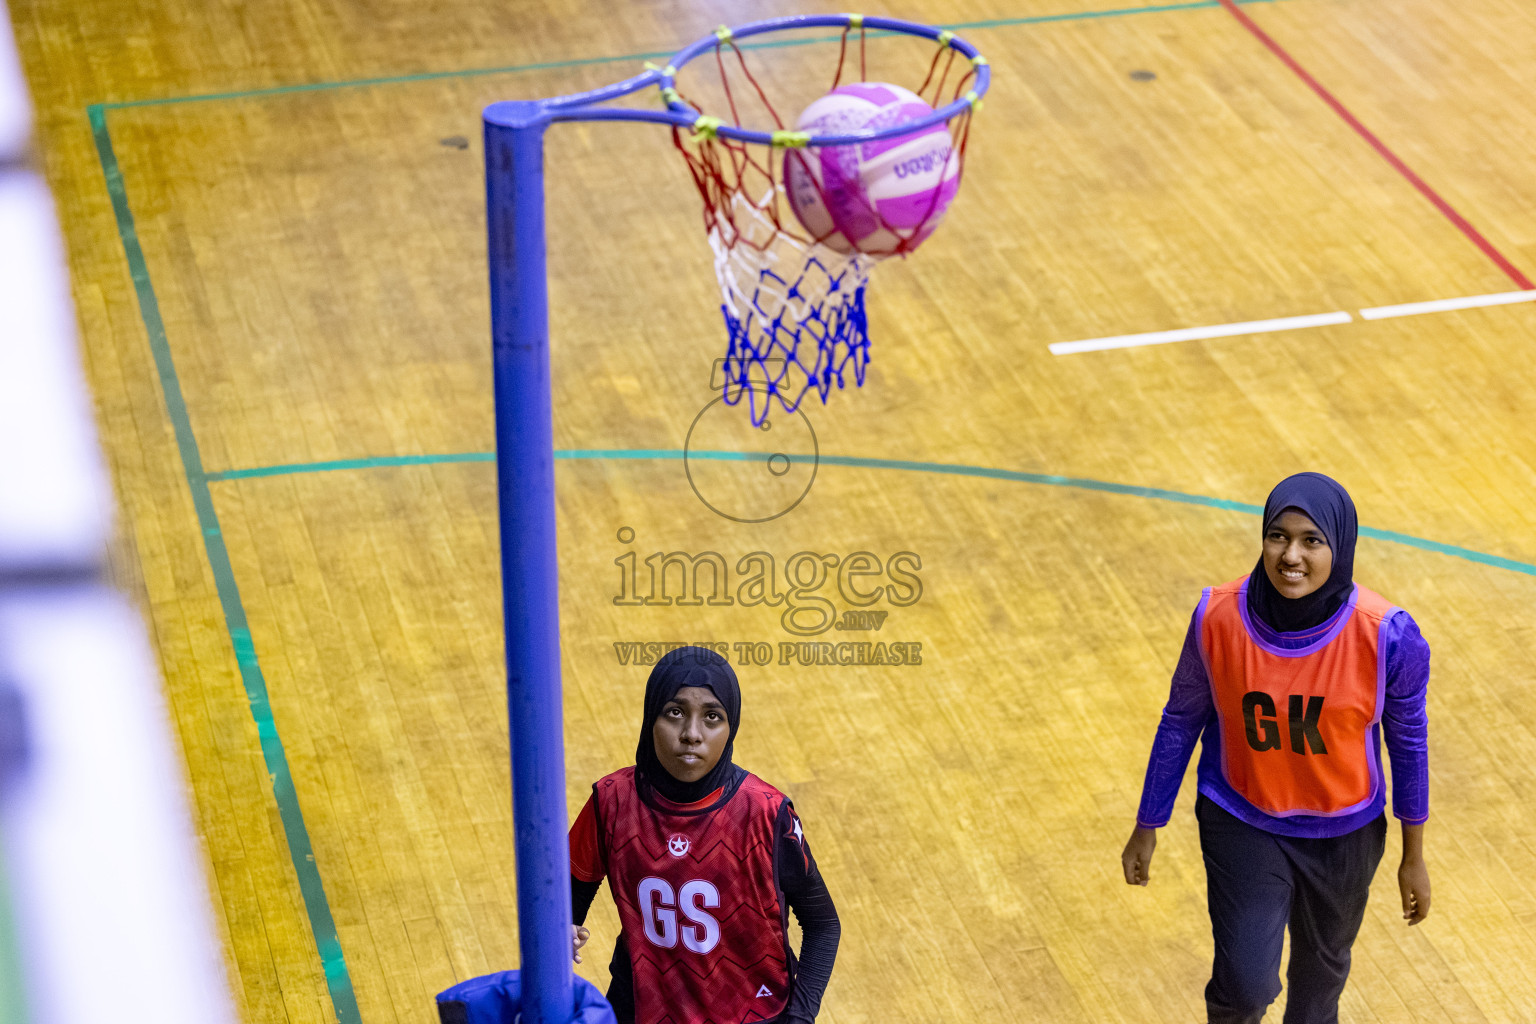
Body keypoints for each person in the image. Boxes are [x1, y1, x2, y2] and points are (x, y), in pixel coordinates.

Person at [1121, 472, 1431, 1024]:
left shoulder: (1389, 636)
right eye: (1277, 536)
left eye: (1312, 540)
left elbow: (1408, 744)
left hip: (1345, 834)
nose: (1291, 555)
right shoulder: (1217, 615)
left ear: (1341, 545)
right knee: (1245, 986)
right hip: (1243, 817)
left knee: (1317, 994)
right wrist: (1148, 823)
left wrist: (1414, 856)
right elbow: (1181, 719)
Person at [568, 646, 839, 1024]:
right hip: (639, 1011)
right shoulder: (611, 801)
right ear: (651, 718)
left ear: (731, 727)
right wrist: (559, 934)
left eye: (712, 716)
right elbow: (563, 903)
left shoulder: (766, 813)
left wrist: (801, 1018)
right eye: (674, 712)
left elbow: (823, 925)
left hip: (757, 1015)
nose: (691, 734)